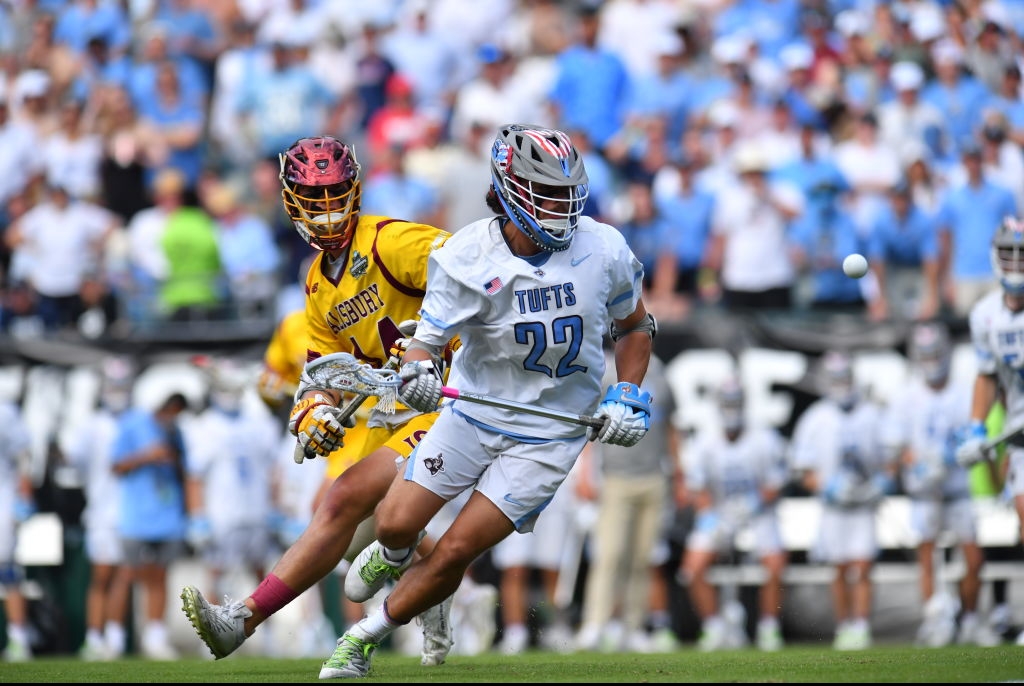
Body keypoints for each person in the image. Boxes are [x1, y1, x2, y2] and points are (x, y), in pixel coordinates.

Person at [326, 123, 655, 679]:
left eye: (565, 193)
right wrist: (420, 375)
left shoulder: (604, 248)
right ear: (509, 191)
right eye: (546, 194)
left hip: (551, 434)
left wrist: (627, 393)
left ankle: (361, 639)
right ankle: (398, 556)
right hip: (473, 413)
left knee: (456, 551)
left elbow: (635, 326)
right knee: (395, 524)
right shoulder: (466, 254)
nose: (559, 208)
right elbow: (423, 347)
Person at [179, 135, 456, 667]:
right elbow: (323, 373)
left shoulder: (389, 241)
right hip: (393, 412)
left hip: (451, 399)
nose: (327, 209)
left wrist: (434, 345)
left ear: (354, 190)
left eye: (335, 193)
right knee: (355, 541)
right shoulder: (315, 284)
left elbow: (475, 269)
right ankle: (429, 588)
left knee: (340, 504)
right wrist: (317, 412)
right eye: (315, 196)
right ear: (291, 201)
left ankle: (241, 620)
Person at [882, 321, 1001, 647]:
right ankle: (935, 619)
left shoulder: (963, 392)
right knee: (926, 557)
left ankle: (971, 619)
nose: (932, 360)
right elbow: (895, 447)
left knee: (974, 558)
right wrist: (916, 464)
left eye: (936, 352)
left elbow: (979, 439)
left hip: (958, 487)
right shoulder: (906, 396)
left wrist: (982, 473)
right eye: (926, 353)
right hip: (925, 492)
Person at [574, 352, 683, 653]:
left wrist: (679, 471)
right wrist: (585, 474)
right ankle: (594, 625)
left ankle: (634, 627)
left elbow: (672, 428)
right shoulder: (608, 375)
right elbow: (589, 427)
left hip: (654, 477)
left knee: (643, 559)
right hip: (616, 479)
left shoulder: (661, 375)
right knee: (609, 555)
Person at [791, 350, 896, 651]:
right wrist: (826, 487)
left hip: (863, 503)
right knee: (838, 567)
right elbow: (802, 468)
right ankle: (843, 626)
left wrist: (881, 483)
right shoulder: (816, 418)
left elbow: (892, 456)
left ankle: (861, 625)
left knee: (862, 565)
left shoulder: (872, 413)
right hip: (834, 506)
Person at [679, 375, 789, 653]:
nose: (731, 408)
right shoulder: (705, 440)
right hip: (720, 512)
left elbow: (775, 483)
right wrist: (709, 515)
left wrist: (754, 503)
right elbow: (697, 486)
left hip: (757, 510)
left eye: (735, 402)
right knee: (692, 569)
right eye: (726, 403)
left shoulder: (764, 437)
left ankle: (768, 627)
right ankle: (714, 625)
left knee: (775, 563)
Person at [955, 216, 1024, 647]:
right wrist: (976, 427)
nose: (1016, 264)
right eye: (1009, 254)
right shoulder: (984, 315)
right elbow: (986, 377)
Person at [61, 356, 135, 660]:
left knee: (125, 576)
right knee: (102, 575)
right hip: (102, 512)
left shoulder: (136, 421)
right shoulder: (91, 425)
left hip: (132, 513)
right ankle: (94, 636)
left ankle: (115, 636)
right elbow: (74, 462)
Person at [108, 390, 191, 660]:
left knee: (160, 575)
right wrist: (146, 456)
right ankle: (114, 637)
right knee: (127, 574)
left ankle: (155, 636)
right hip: (136, 516)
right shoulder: (132, 424)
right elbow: (116, 466)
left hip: (168, 515)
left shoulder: (176, 432)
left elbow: (187, 472)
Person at [0, 398, 34, 662]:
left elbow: (23, 455)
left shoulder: (5, 412)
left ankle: (19, 639)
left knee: (8, 570)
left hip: (3, 500)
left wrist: (24, 498)